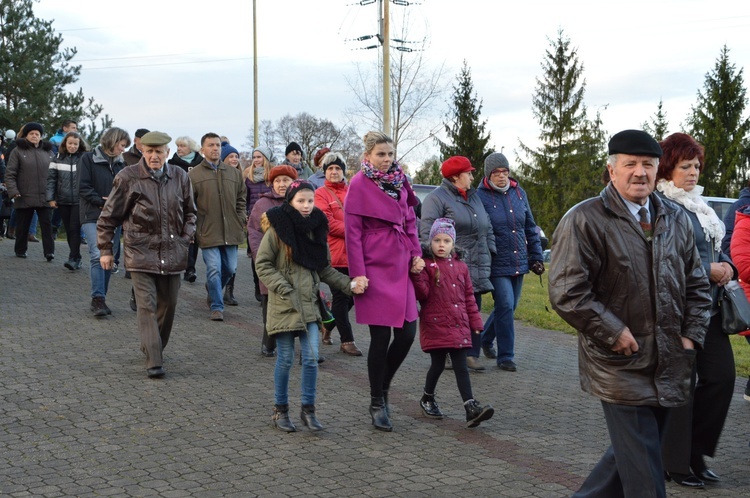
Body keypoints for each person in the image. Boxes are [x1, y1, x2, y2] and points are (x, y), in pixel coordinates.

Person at [548, 129, 712, 498]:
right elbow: (567, 292)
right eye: (630, 164)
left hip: (671, 360)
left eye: (648, 165)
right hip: (619, 362)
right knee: (645, 477)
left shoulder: (677, 218)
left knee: (630, 457)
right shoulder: (585, 219)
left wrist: (690, 337)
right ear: (611, 169)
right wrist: (614, 332)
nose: (640, 172)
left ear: (658, 171)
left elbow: (698, 286)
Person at [655, 132, 736, 488]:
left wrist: (727, 264)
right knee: (682, 389)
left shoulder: (699, 206)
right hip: (679, 311)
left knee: (722, 379)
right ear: (668, 168)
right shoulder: (662, 206)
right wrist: (708, 271)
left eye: (696, 166)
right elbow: (664, 262)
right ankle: (676, 464)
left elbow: (714, 249)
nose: (693, 173)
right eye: (685, 166)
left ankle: (696, 452)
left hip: (712, 310)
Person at [255, 180, 366, 432]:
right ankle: (280, 410)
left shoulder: (317, 228)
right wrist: (283, 288)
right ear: (290, 202)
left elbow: (324, 268)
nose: (306, 206)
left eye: (310, 201)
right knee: (284, 359)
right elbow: (263, 265)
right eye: (300, 201)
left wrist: (349, 285)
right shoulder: (277, 229)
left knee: (312, 358)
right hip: (284, 305)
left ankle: (308, 409)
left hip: (309, 306)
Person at [97, 131, 197, 379]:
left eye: (159, 152)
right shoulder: (128, 177)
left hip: (174, 252)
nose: (154, 156)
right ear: (142, 151)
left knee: (169, 305)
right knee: (147, 307)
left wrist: (185, 237)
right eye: (149, 151)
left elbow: (191, 213)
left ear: (167, 153)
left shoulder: (180, 176)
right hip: (140, 252)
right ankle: (154, 360)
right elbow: (109, 217)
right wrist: (106, 250)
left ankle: (154, 348)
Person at [344, 131, 423, 432]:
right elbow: (352, 232)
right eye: (381, 154)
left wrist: (416, 254)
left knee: (406, 334)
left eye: (390, 154)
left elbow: (410, 221)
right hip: (374, 265)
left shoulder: (401, 180)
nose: (387, 159)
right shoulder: (358, 184)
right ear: (367, 156)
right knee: (380, 338)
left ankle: (384, 386)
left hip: (402, 262)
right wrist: (358, 273)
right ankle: (377, 401)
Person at [411, 217, 495, 427]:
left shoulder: (461, 267)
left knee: (461, 366)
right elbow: (422, 294)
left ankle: (470, 407)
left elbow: (469, 297)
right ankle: (427, 397)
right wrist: (417, 274)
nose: (441, 245)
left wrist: (476, 323)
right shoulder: (428, 265)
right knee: (437, 364)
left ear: (453, 244)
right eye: (437, 240)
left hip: (458, 324)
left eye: (446, 241)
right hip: (435, 323)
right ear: (430, 242)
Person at [419, 155, 495, 371]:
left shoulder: (475, 197)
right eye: (468, 173)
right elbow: (427, 232)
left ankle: (470, 352)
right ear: (455, 177)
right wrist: (436, 262)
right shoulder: (436, 198)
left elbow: (486, 225)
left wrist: (491, 249)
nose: (472, 176)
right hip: (449, 264)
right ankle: (450, 351)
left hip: (477, 263)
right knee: (450, 310)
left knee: (473, 307)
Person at [476, 152, 544, 372]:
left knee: (510, 307)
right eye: (496, 173)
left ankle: (486, 339)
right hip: (496, 261)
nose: (502, 176)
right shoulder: (479, 196)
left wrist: (536, 257)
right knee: (504, 304)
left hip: (519, 260)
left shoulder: (518, 192)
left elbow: (530, 228)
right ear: (488, 175)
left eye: (505, 172)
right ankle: (506, 356)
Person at [188, 132, 246, 321]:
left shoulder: (234, 173)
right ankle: (217, 306)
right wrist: (195, 226)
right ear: (202, 149)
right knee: (214, 269)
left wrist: (240, 218)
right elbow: (189, 204)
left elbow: (241, 199)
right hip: (207, 230)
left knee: (230, 269)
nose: (215, 148)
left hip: (231, 230)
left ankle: (213, 290)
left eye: (218, 145)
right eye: (211, 145)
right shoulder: (194, 175)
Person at [78, 127, 131, 317]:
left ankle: (102, 298)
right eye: (122, 145)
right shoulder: (87, 159)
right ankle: (97, 299)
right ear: (113, 141)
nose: (123, 150)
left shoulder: (121, 166)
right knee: (96, 253)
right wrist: (102, 202)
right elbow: (83, 187)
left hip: (113, 218)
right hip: (92, 214)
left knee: (110, 257)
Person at [314, 151, 362, 356]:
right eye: (330, 168)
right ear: (325, 172)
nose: (334, 172)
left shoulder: (353, 191)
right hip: (335, 254)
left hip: (356, 254)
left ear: (343, 171)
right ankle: (347, 340)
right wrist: (353, 230)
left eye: (337, 168)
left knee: (354, 296)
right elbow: (326, 222)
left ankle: (328, 325)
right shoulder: (320, 194)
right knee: (342, 298)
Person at [249, 165, 297, 357]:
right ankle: (268, 342)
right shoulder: (263, 204)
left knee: (300, 302)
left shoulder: (300, 200)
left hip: (296, 263)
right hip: (271, 263)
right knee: (270, 303)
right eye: (277, 181)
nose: (281, 184)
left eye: (286, 180)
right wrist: (262, 256)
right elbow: (254, 232)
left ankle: (305, 345)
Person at [4, 122, 55, 260]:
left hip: (45, 196)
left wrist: (54, 193)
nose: (34, 136)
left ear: (41, 136)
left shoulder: (49, 152)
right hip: (24, 194)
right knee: (23, 226)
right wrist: (13, 191)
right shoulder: (18, 151)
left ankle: (49, 252)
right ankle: (20, 250)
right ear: (26, 136)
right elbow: (10, 173)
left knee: (47, 225)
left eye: (37, 134)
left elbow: (55, 174)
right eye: (31, 133)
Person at [47, 131, 88, 270]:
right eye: (70, 143)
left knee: (74, 228)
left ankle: (73, 258)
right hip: (63, 200)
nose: (72, 146)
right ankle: (77, 258)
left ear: (79, 144)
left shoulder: (85, 158)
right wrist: (51, 198)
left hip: (79, 200)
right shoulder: (57, 158)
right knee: (69, 230)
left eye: (75, 144)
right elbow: (51, 179)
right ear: (65, 143)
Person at [243, 145, 274, 300]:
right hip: (254, 221)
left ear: (266, 159)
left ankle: (269, 286)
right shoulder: (248, 177)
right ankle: (258, 285)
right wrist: (246, 215)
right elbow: (245, 199)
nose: (256, 160)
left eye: (259, 157)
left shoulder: (272, 177)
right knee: (256, 253)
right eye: (254, 157)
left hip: (271, 220)